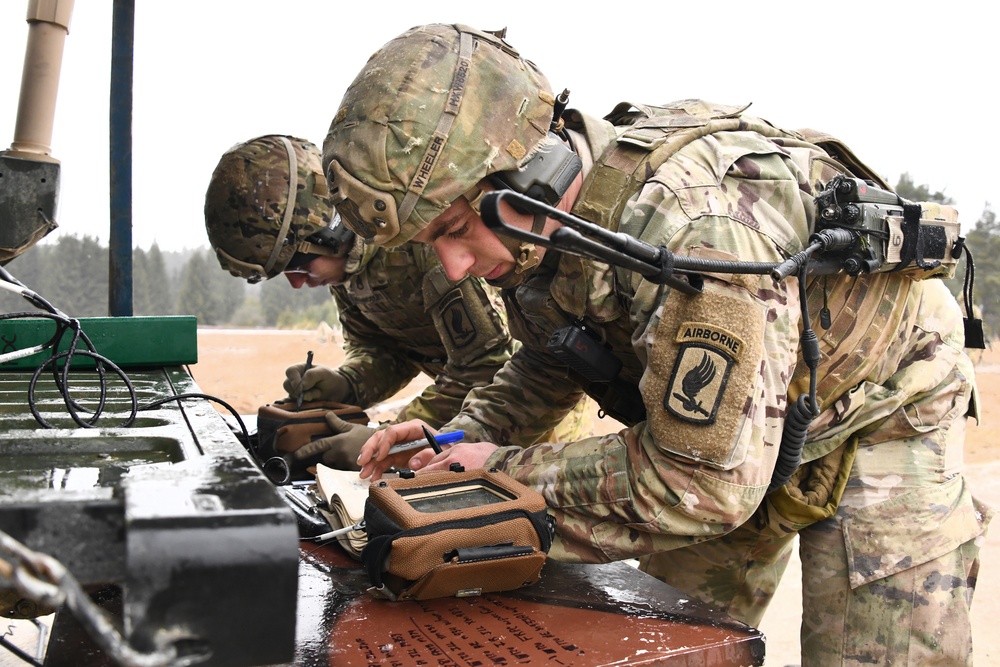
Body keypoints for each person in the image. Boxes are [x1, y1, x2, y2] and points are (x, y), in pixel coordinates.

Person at [322, 24, 992, 665]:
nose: (454, 267)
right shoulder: (549, 234)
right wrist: (457, 441)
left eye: (456, 227)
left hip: (881, 406)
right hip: (742, 430)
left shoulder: (694, 232)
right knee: (672, 640)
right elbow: (554, 352)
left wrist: (505, 471)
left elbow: (699, 483)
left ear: (531, 173)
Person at [204, 134, 592, 470]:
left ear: (334, 230)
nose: (297, 283)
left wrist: (389, 438)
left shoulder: (431, 249)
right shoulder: (348, 271)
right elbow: (385, 351)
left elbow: (486, 367)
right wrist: (346, 384)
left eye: (300, 264)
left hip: (528, 432)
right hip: (463, 426)